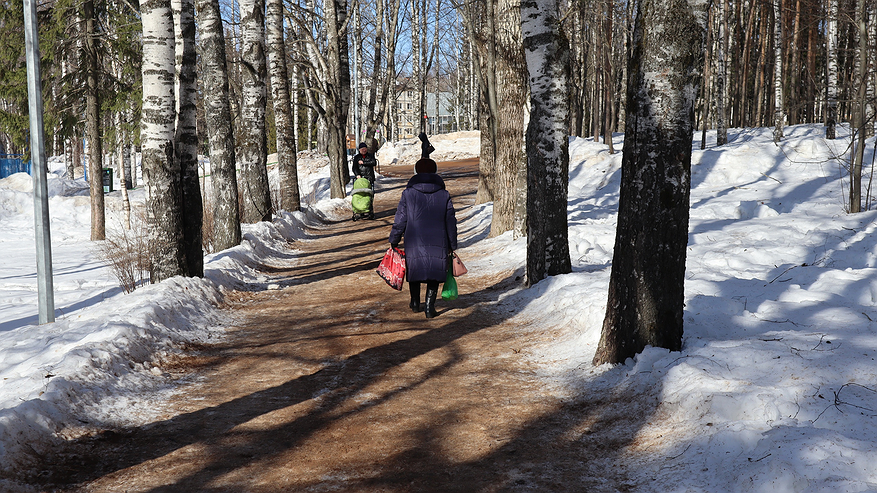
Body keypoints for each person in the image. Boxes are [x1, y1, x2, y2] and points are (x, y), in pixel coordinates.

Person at [389, 157, 458, 319]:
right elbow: (450, 221)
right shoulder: (444, 194)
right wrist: (452, 244)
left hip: (414, 240)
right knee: (435, 270)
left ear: (416, 172)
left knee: (415, 269)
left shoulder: (408, 194)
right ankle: (429, 307)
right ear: (435, 172)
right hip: (438, 240)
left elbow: (400, 219)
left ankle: (415, 303)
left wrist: (394, 239)